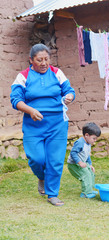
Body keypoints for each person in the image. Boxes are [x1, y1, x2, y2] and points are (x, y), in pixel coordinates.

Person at [10, 43, 75, 206]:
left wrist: (69, 96)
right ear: (31, 60)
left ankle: (52, 194)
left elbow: (70, 90)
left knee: (55, 160)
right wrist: (30, 110)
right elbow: (15, 100)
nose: (44, 63)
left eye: (46, 59)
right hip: (34, 125)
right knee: (36, 158)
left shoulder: (57, 73)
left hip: (57, 124)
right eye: (40, 60)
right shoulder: (23, 76)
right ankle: (41, 177)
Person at [67, 122, 101, 198]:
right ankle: (85, 193)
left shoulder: (88, 143)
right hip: (74, 164)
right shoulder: (80, 143)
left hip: (82, 163)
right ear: (86, 135)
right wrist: (79, 162)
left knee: (91, 173)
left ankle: (90, 190)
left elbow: (87, 155)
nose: (95, 140)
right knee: (86, 175)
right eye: (94, 138)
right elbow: (73, 153)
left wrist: (90, 164)